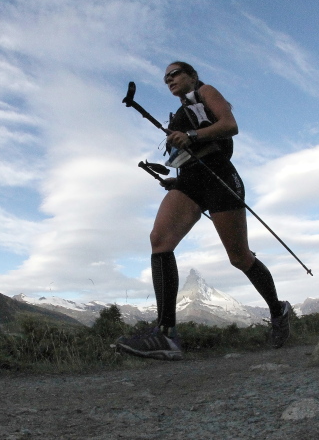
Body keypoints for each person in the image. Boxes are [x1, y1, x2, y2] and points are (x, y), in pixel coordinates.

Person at [115, 61, 291, 360]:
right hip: (190, 180)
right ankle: (166, 334)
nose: (169, 80)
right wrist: (176, 178)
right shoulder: (182, 110)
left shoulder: (205, 91)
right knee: (160, 240)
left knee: (239, 257)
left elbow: (230, 126)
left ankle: (278, 310)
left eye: (175, 74)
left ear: (192, 75)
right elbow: (186, 153)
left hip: (220, 177)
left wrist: (193, 136)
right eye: (165, 78)